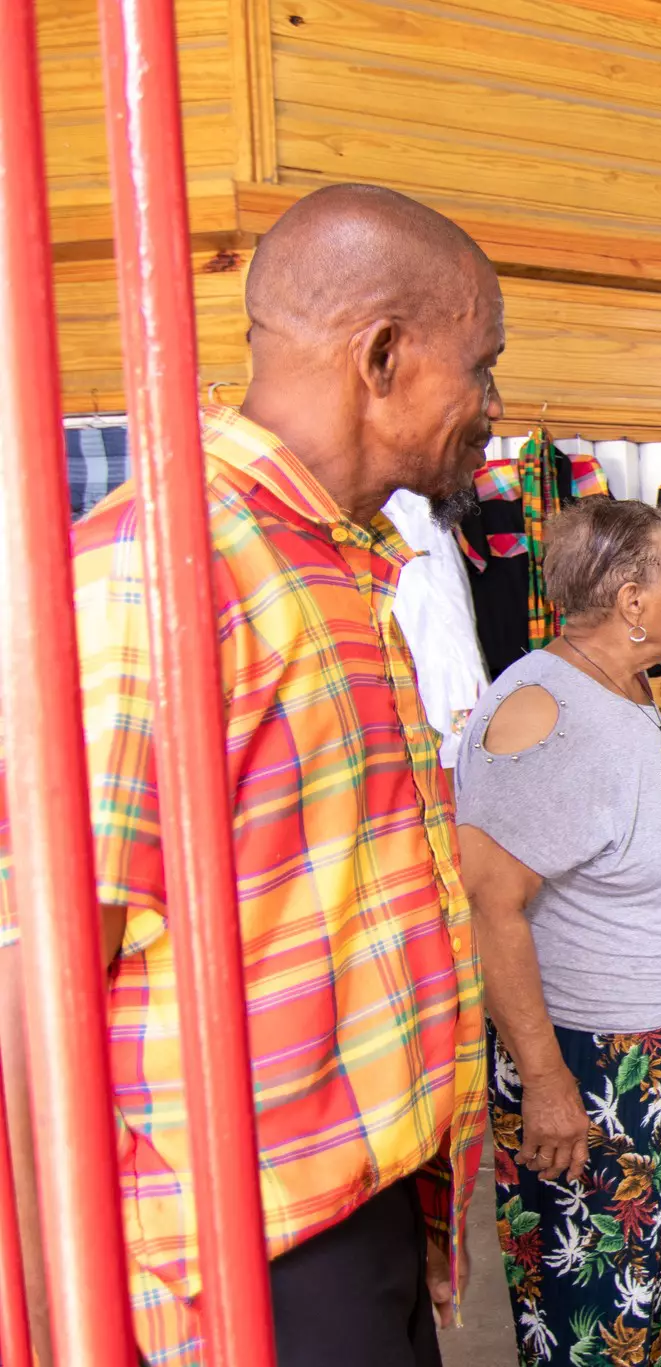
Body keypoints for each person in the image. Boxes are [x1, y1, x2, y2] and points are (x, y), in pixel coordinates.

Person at [0, 183, 502, 1366]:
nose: (490, 405)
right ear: (383, 355)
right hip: (242, 1251)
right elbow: (36, 976)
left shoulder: (340, 557)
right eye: (479, 367)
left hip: (360, 1198)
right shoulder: (154, 574)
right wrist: (52, 1314)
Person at [456, 498, 661, 1367]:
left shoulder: (624, 682)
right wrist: (545, 1079)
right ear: (634, 601)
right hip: (590, 1057)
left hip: (654, 1039)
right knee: (590, 1299)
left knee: (641, 1272)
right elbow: (491, 905)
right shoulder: (548, 718)